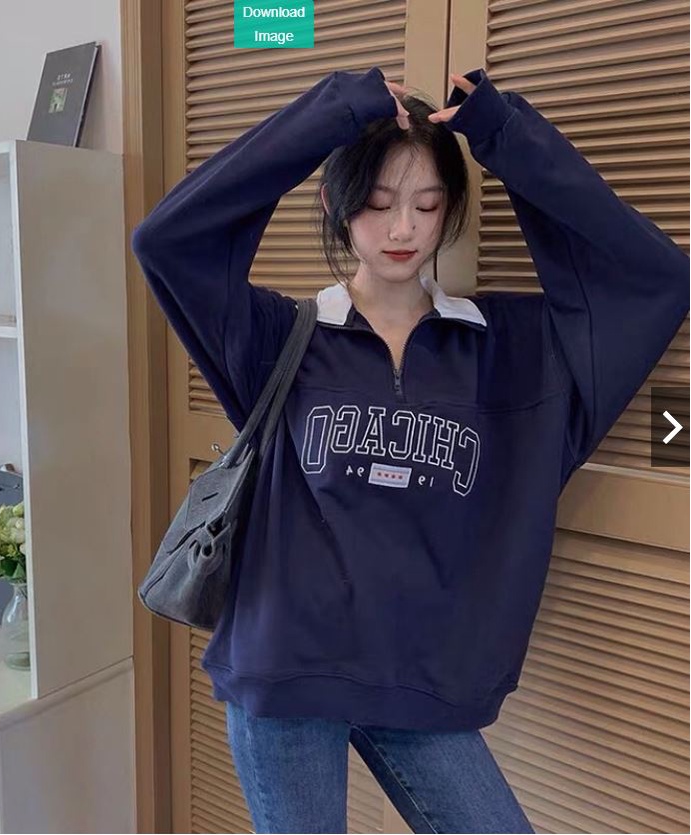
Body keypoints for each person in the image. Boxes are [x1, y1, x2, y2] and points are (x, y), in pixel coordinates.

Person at [131, 67, 689, 833]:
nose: (402, 229)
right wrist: (333, 110)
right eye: (376, 202)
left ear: (450, 210)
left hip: (425, 681)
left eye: (426, 205)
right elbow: (167, 239)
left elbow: (655, 280)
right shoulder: (278, 339)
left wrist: (504, 135)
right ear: (334, 206)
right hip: (285, 672)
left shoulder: (514, 353)